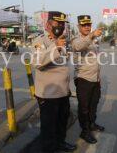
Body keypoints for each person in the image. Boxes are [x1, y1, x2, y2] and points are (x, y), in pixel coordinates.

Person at [31, 11, 77, 153]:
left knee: (62, 122)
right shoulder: (40, 41)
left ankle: (60, 143)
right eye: (58, 23)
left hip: (63, 92)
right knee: (49, 127)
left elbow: (63, 67)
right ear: (48, 24)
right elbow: (37, 62)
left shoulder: (63, 41)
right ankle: (50, 149)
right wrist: (55, 46)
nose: (61, 27)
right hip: (48, 96)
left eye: (63, 24)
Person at [72, 15, 105, 144]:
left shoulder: (94, 41)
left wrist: (98, 78)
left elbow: (95, 60)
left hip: (94, 79)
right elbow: (78, 47)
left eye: (88, 25)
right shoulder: (76, 39)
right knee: (84, 107)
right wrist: (91, 35)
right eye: (84, 25)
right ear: (78, 26)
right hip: (83, 79)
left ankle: (91, 124)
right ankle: (84, 131)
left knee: (94, 104)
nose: (87, 27)